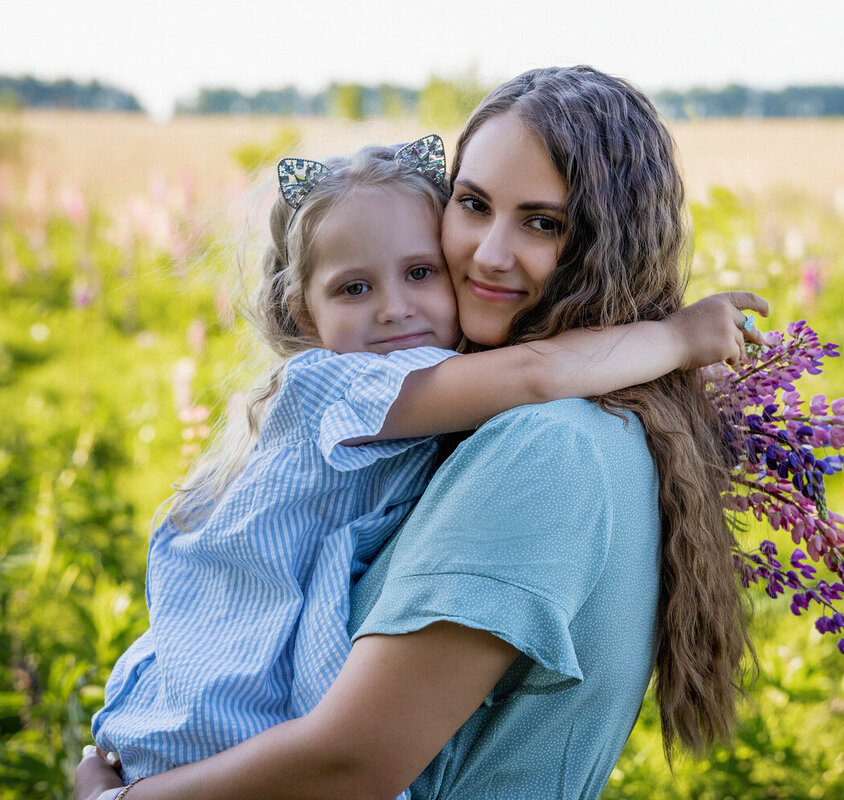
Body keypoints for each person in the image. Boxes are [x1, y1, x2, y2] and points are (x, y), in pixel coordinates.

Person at [76, 66, 767, 800]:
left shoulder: (548, 444)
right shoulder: (569, 413)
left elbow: (352, 762)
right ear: (302, 307)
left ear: (610, 242)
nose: (489, 255)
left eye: (543, 222)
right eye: (472, 204)